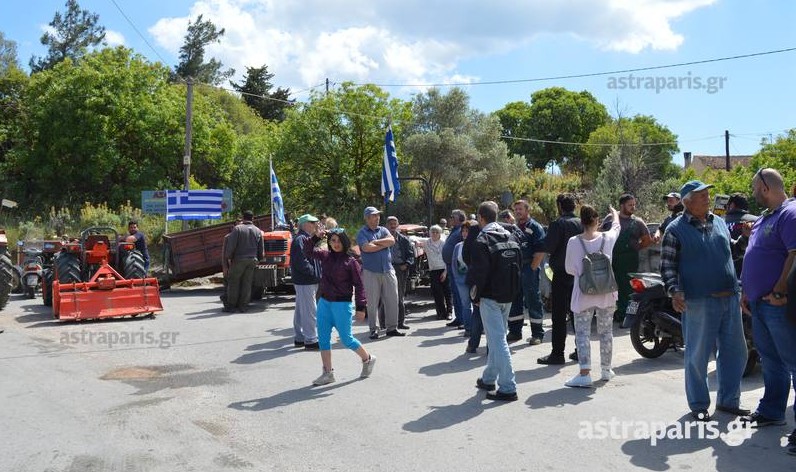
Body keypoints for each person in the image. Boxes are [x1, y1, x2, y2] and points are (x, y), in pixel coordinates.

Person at [660, 180, 748, 421]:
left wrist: (744, 239)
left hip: (729, 297)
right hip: (698, 301)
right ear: (687, 202)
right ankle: (699, 405)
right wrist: (674, 291)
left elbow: (731, 251)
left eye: (708, 195)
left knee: (736, 353)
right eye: (702, 196)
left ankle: (729, 401)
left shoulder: (718, 222)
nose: (708, 199)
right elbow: (667, 266)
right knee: (698, 356)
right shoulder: (675, 229)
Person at [739, 168, 796, 444]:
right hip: (759, 304)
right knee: (771, 361)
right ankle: (772, 411)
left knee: (794, 362)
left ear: (764, 187)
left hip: (777, 304)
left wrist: (780, 290)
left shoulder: (790, 213)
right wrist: (745, 290)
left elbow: (794, 254)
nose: (751, 193)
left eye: (753, 187)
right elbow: (754, 255)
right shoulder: (765, 218)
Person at [304, 228, 376, 386]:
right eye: (332, 241)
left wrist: (361, 307)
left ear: (344, 241)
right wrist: (316, 237)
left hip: (342, 305)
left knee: (347, 339)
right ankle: (328, 373)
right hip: (324, 303)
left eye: (338, 240)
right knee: (323, 339)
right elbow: (307, 250)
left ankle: (368, 359)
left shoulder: (351, 262)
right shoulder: (325, 256)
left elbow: (360, 286)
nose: (335, 244)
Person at [564, 205, 621, 387]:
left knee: (582, 333)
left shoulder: (574, 241)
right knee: (606, 332)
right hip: (606, 293)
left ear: (581, 221)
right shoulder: (608, 238)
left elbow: (569, 269)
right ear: (598, 220)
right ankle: (606, 370)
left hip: (584, 294)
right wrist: (614, 214)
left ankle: (584, 372)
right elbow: (617, 227)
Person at [469, 201, 519, 402]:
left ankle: (508, 387)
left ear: (481, 218)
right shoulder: (510, 234)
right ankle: (488, 378)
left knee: (498, 340)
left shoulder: (482, 240)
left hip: (490, 297)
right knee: (496, 337)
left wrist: (475, 296)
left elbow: (479, 273)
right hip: (508, 294)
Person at [538, 193, 583, 365]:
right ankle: (581, 350)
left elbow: (549, 246)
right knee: (577, 314)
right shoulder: (581, 223)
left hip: (562, 273)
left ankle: (557, 353)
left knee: (558, 315)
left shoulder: (558, 224)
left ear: (560, 206)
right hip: (579, 274)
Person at [601, 194, 653, 323]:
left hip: (630, 261)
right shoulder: (610, 219)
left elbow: (647, 240)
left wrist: (636, 247)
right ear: (622, 205)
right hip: (612, 260)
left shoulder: (638, 222)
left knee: (629, 289)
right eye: (630, 205)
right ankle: (615, 314)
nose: (633, 207)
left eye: (634, 205)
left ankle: (630, 317)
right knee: (612, 288)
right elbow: (600, 233)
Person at [356, 206, 404, 339]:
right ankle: (374, 329)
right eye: (374, 215)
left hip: (388, 269)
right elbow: (366, 248)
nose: (377, 218)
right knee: (372, 302)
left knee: (392, 300)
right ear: (367, 218)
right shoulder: (362, 233)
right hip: (371, 272)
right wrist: (383, 244)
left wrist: (376, 242)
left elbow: (392, 240)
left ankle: (392, 328)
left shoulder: (383, 230)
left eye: (378, 215)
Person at [509, 200, 547, 345]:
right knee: (514, 300)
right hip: (515, 269)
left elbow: (541, 251)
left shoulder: (535, 227)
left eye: (520, 209)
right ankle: (515, 332)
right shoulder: (514, 228)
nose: (518, 211)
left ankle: (537, 334)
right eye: (516, 209)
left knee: (533, 301)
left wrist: (531, 268)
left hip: (529, 268)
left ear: (527, 210)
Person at [290, 214, 322, 350]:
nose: (315, 225)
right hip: (306, 280)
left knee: (301, 309)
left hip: (305, 280)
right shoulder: (301, 239)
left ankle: (300, 337)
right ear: (304, 224)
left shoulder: (304, 238)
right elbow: (300, 261)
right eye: (312, 223)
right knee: (309, 310)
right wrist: (313, 272)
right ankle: (310, 339)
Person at [223, 210, 264, 313]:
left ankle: (231, 306)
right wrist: (259, 259)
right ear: (252, 218)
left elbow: (231, 246)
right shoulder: (258, 230)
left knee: (234, 282)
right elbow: (261, 249)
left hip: (239, 260)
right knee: (247, 283)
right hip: (252, 260)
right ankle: (243, 306)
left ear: (243, 218)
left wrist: (229, 257)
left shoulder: (237, 229)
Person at [416, 225, 451, 320]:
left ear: (440, 233)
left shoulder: (444, 243)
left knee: (447, 292)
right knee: (437, 292)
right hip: (433, 270)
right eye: (433, 232)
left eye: (437, 232)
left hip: (443, 269)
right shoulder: (427, 243)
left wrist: (445, 272)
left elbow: (448, 259)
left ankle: (449, 312)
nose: (434, 234)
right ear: (430, 233)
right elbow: (414, 239)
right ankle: (440, 312)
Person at [385, 216, 414, 330]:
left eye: (394, 224)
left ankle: (401, 322)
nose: (392, 226)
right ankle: (384, 323)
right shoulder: (381, 238)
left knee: (399, 297)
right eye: (390, 224)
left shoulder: (404, 240)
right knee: (385, 297)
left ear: (397, 225)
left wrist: (406, 265)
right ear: (386, 225)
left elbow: (411, 255)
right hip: (386, 269)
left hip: (400, 269)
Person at [442, 209, 467, 328]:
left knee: (460, 294)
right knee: (455, 294)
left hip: (458, 268)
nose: (450, 218)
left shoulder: (463, 230)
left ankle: (464, 319)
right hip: (451, 267)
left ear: (459, 219)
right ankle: (459, 318)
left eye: (452, 217)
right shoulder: (454, 230)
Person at [723, 193, 757, 277]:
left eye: (725, 206)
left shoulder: (719, 222)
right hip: (751, 273)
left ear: (732, 205)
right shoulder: (758, 220)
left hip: (726, 274)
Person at [451, 221, 475, 336]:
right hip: (461, 280)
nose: (465, 233)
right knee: (465, 304)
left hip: (473, 279)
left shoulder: (476, 245)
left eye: (467, 231)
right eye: (463, 231)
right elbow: (453, 263)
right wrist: (456, 277)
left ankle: (478, 327)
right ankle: (468, 328)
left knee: (477, 304)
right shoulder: (458, 246)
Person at [220, 217, 243, 305]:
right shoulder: (228, 237)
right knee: (229, 286)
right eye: (237, 224)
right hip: (231, 266)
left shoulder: (245, 236)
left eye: (241, 224)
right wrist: (225, 267)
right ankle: (228, 302)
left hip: (240, 265)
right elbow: (224, 254)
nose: (239, 226)